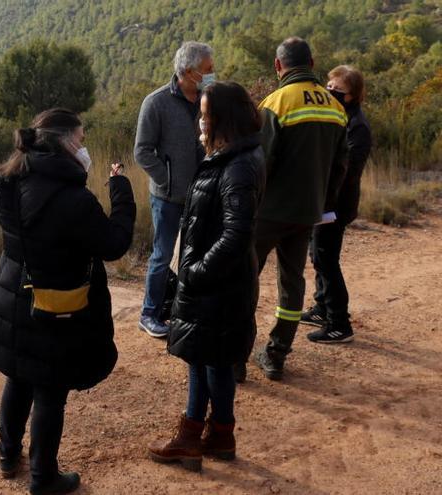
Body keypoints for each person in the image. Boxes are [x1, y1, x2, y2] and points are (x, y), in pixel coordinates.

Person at [0, 108, 135, 494]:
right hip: (56, 307)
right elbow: (114, 243)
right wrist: (121, 191)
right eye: (80, 140)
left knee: (18, 376)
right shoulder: (73, 199)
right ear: (64, 143)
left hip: (12, 298)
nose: (84, 148)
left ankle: (8, 454)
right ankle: (43, 478)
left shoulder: (9, 180)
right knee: (49, 390)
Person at [148, 82, 265, 472]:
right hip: (220, 284)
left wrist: (195, 272)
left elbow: (236, 233)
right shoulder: (232, 158)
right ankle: (217, 435)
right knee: (210, 360)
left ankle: (192, 439)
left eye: (205, 114)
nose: (199, 121)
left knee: (205, 360)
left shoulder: (237, 166)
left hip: (216, 285)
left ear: (223, 120)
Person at [246, 37, 348, 381]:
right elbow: (340, 168)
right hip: (308, 213)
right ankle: (276, 355)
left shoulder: (275, 103)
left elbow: (259, 166)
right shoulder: (335, 107)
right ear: (313, 62)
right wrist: (323, 202)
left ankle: (235, 357)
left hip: (268, 212)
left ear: (278, 66)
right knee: (292, 284)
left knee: (245, 279)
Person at [134, 41, 213, 338]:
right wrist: (167, 181)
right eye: (207, 69)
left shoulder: (209, 99)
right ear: (189, 71)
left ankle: (183, 312)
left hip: (202, 195)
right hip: (167, 198)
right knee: (162, 256)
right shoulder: (155, 103)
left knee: (193, 257)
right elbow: (142, 152)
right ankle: (149, 314)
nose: (212, 73)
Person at [302, 66, 373, 343]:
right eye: (328, 86)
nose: (330, 92)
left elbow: (347, 171)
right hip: (322, 201)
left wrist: (324, 201)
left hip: (335, 205)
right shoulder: (337, 117)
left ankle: (339, 324)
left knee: (326, 259)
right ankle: (323, 306)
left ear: (353, 95)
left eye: (337, 90)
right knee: (317, 254)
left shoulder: (357, 127)